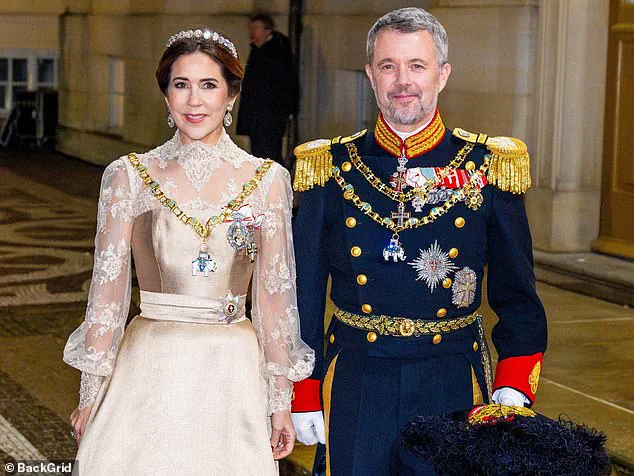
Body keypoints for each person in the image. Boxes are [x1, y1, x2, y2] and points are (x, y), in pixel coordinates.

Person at [289, 7, 547, 475]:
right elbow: (302, 291)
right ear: (371, 75)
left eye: (417, 66)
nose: (402, 80)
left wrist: (514, 380)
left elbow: (517, 291)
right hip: (357, 377)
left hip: (451, 379)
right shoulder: (329, 168)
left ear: (442, 75)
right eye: (388, 66)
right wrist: (302, 387)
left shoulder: (488, 166)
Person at [63, 26, 314, 476]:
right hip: (149, 368)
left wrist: (280, 401)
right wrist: (91, 393)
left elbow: (275, 300)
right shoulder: (128, 176)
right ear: (166, 95)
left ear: (232, 95)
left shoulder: (268, 180)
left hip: (232, 373)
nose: (194, 101)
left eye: (209, 85)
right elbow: (107, 295)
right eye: (181, 85)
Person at [237, 13, 298, 167]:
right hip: (256, 115)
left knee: (270, 152)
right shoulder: (258, 50)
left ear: (267, 30)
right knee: (258, 153)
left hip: (271, 115)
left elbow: (286, 83)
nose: (252, 32)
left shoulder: (278, 51)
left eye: (256, 28)